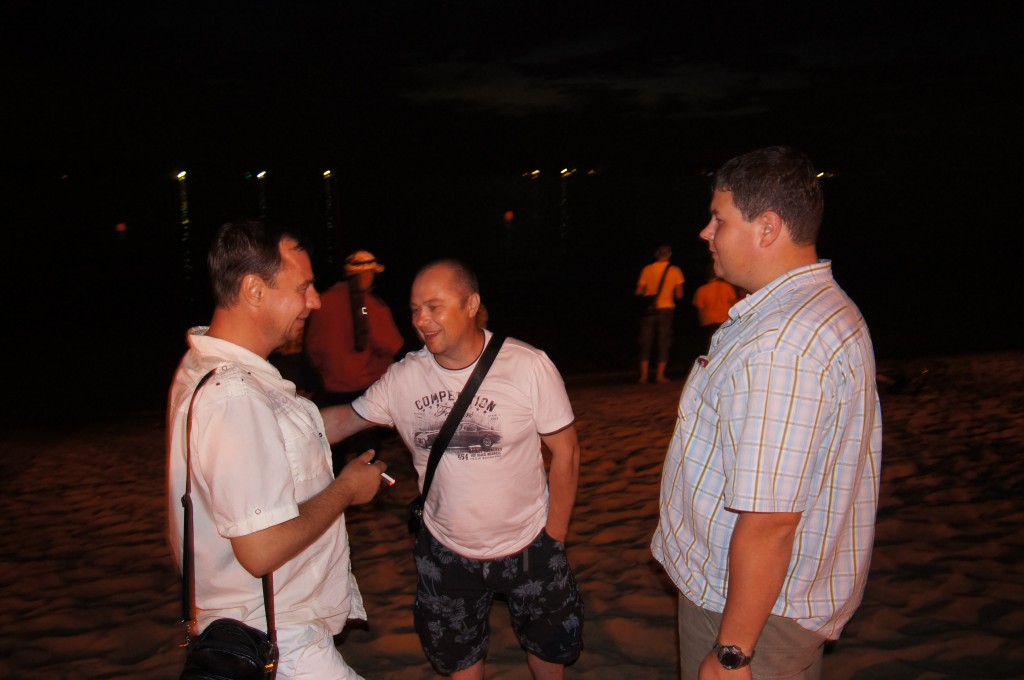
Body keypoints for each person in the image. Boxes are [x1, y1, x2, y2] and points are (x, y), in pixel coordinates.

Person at [651, 146, 882, 680]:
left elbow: (771, 522)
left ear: (768, 228)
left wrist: (733, 652)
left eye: (719, 219)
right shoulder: (822, 307)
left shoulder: (781, 345)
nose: (706, 232)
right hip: (768, 596)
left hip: (748, 606)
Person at [322, 259, 584, 680]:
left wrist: (554, 537)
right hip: (445, 551)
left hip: (530, 542)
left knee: (548, 651)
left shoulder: (528, 365)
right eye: (414, 310)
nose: (420, 320)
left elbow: (566, 452)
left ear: (471, 304)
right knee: (457, 661)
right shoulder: (404, 378)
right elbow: (341, 422)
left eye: (433, 307)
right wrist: (277, 418)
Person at [166, 220, 389, 679]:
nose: (315, 300)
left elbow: (295, 435)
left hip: (257, 624)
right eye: (303, 287)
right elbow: (261, 549)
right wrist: (347, 490)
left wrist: (381, 407)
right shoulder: (234, 396)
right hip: (274, 637)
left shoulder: (208, 364)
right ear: (254, 290)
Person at [304, 249, 405, 472]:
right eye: (372, 274)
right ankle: (366, 484)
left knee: (335, 445)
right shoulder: (370, 305)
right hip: (364, 388)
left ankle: (336, 481)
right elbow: (391, 343)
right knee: (368, 446)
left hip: (333, 387)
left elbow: (313, 346)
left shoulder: (323, 302)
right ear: (366, 275)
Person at [635, 244, 684, 383]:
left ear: (657, 253)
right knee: (663, 341)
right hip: (666, 309)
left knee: (645, 341)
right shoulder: (675, 271)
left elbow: (638, 291)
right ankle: (660, 375)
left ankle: (644, 376)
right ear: (669, 254)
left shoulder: (647, 269)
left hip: (649, 310)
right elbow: (679, 295)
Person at [691, 264, 739, 351]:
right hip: (725, 321)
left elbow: (700, 311)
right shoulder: (726, 287)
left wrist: (702, 325)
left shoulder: (701, 290)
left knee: (711, 347)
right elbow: (735, 305)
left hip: (709, 322)